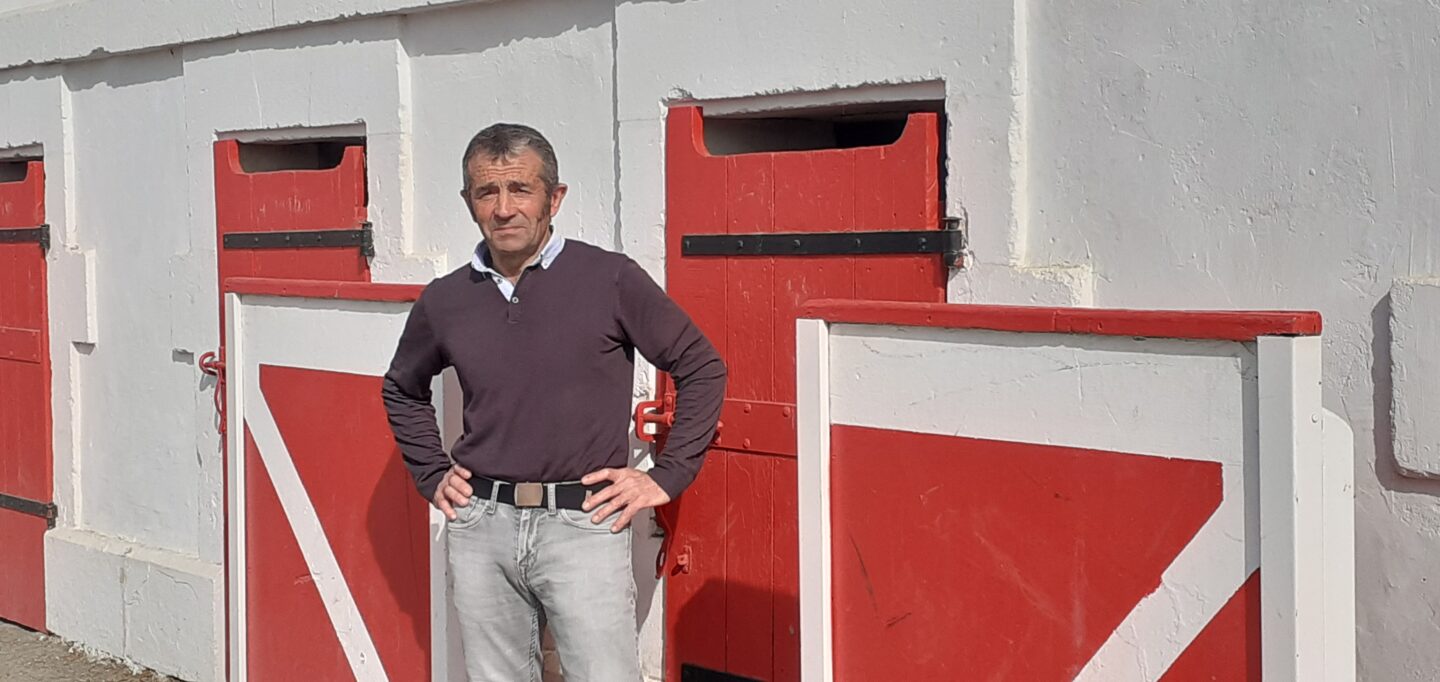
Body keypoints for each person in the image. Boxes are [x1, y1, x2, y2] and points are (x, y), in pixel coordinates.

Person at [381, 123, 726, 682]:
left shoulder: (610, 279)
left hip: (582, 521)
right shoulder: (445, 299)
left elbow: (701, 365)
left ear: (554, 198)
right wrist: (430, 471)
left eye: (520, 189)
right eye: (486, 192)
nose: (503, 208)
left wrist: (666, 476)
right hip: (482, 524)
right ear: (469, 203)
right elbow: (402, 387)